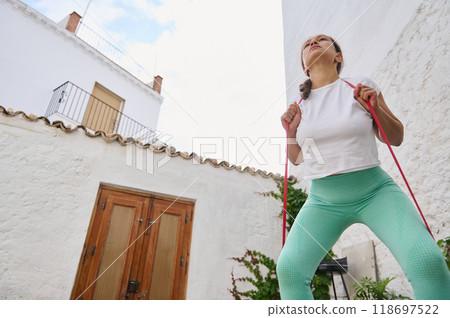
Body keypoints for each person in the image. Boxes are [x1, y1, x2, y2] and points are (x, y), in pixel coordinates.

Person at [276, 34, 450, 300]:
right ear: (304, 67)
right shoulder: (299, 106)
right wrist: (290, 131)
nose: (313, 42)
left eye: (322, 39)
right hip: (323, 200)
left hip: (375, 192)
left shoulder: (360, 86)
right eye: (307, 43)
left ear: (338, 56)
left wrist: (375, 108)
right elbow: (298, 159)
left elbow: (396, 137)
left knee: (427, 261)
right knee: (288, 270)